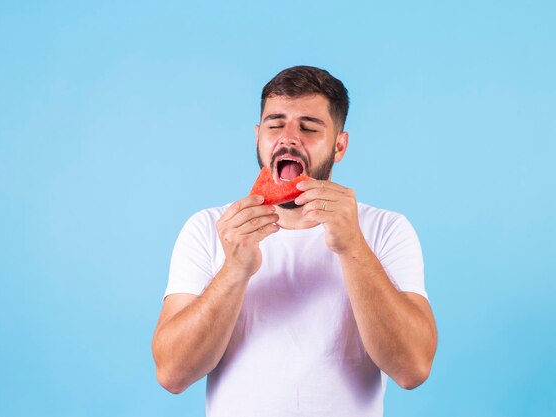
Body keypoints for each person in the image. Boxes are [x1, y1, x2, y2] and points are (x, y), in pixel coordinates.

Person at [152, 65, 437, 417]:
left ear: (340, 144)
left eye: (308, 127)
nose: (288, 138)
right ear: (258, 136)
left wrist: (352, 246)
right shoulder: (210, 228)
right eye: (275, 124)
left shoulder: (386, 229)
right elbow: (172, 374)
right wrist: (235, 269)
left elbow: (413, 369)